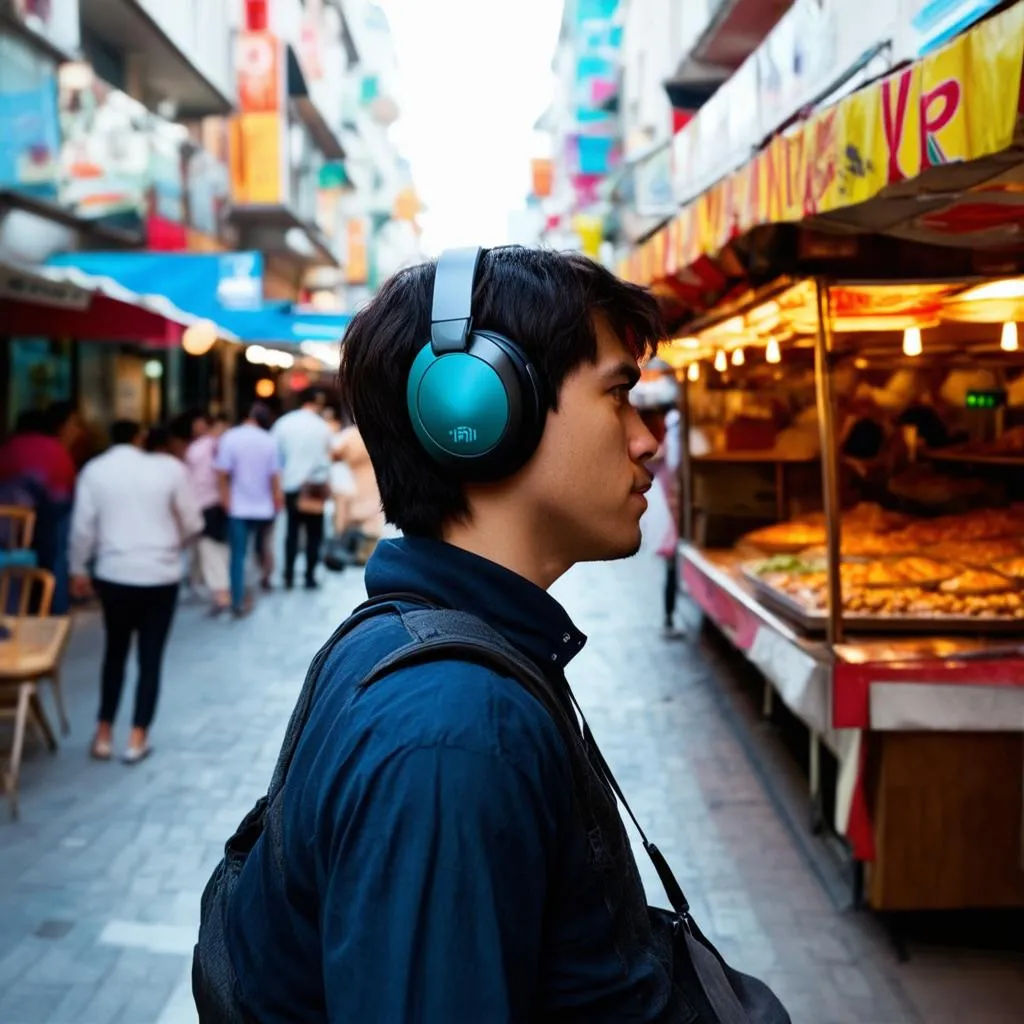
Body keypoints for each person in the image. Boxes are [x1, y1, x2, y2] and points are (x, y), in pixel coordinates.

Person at [219, 247, 723, 1021]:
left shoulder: (432, 655)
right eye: (619, 396)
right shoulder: (452, 730)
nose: (647, 439)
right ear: (479, 414)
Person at [69, 420, 203, 764]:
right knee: (150, 657)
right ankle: (137, 737)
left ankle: (102, 734)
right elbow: (193, 522)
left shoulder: (95, 470)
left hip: (114, 573)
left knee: (114, 653)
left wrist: (77, 568)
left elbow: (83, 526)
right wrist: (175, 544)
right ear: (140, 436)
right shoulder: (169, 469)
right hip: (160, 573)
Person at [215, 403, 282, 618]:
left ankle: (238, 598)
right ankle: (252, 592)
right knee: (259, 551)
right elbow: (275, 477)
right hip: (263, 507)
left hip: (238, 507)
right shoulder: (269, 440)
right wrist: (277, 500)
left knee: (237, 554)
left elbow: (222, 473)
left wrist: (225, 500)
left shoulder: (230, 437)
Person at [271, 387, 332, 589]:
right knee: (314, 534)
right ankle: (309, 576)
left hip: (291, 485)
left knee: (292, 532)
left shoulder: (283, 424)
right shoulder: (322, 427)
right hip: (314, 486)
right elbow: (326, 458)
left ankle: (288, 575)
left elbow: (275, 458)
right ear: (315, 403)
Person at [184, 412, 231, 614]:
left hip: (205, 502)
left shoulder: (201, 447)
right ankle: (210, 587)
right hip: (213, 502)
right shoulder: (219, 445)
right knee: (212, 547)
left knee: (210, 548)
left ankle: (220, 593)